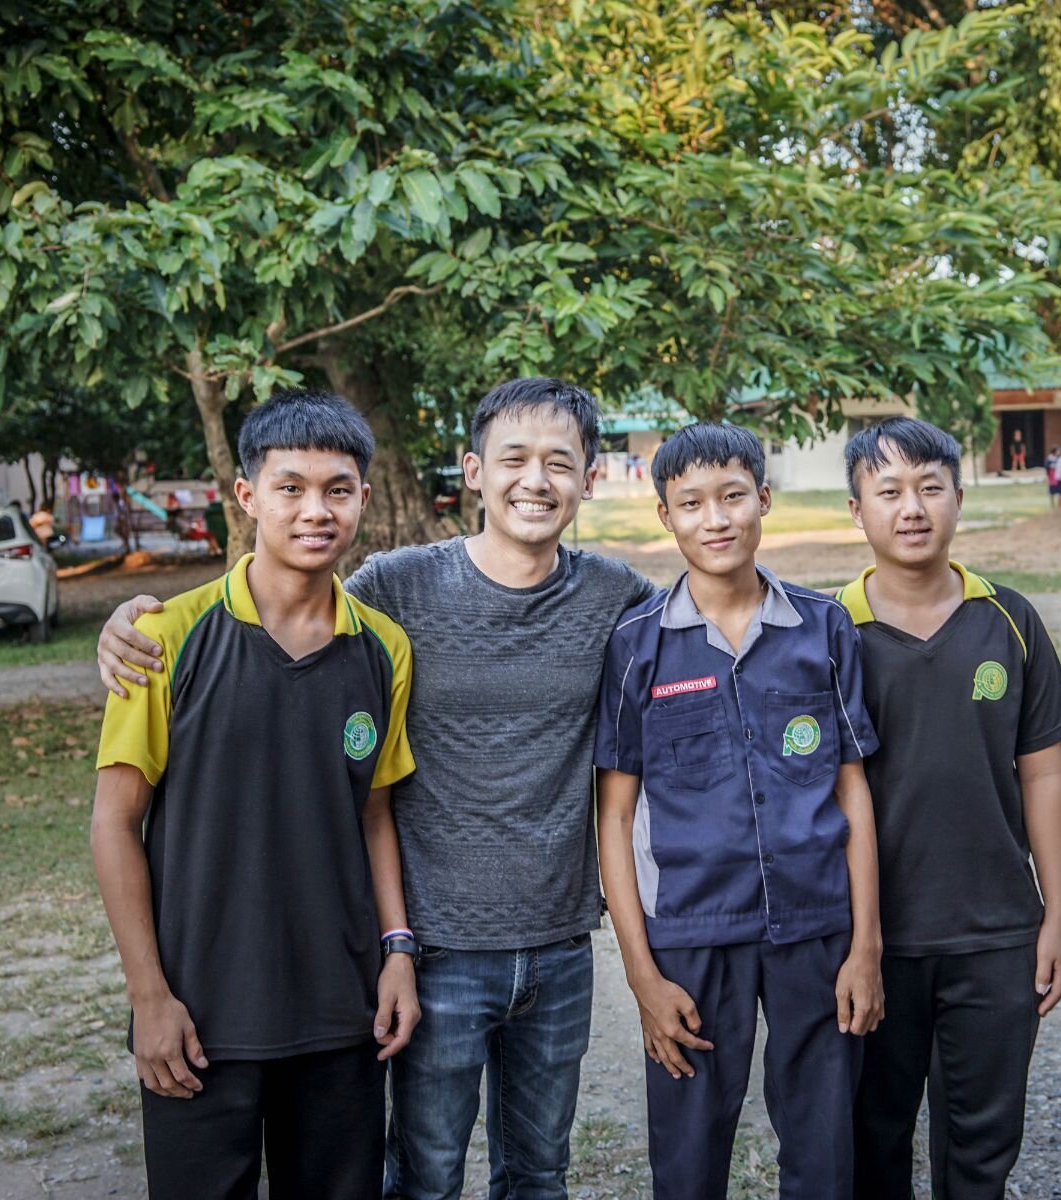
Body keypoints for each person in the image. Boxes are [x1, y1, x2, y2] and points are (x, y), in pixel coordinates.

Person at [96, 377, 658, 1200]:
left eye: (559, 462)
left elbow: (710, 617)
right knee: (423, 1177)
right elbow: (278, 611)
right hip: (397, 957)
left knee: (539, 1174)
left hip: (508, 956)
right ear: (473, 471)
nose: (536, 481)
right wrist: (124, 625)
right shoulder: (386, 593)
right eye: (513, 459)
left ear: (591, 478)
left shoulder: (608, 599)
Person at [90, 390, 420, 1200]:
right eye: (290, 487)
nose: (316, 510)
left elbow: (375, 813)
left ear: (363, 498)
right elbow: (114, 825)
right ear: (247, 495)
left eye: (337, 490)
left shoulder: (384, 647)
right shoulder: (163, 637)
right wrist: (149, 998)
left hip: (342, 1012)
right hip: (201, 1016)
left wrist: (398, 953)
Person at [595, 423, 884, 1200]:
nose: (715, 519)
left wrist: (866, 946)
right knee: (687, 1161)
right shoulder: (637, 646)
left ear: (764, 499)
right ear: (665, 515)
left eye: (732, 497)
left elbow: (852, 787)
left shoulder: (823, 627)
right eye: (691, 503)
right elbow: (615, 818)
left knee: (826, 1152)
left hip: (816, 926)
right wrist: (642, 976)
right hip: (690, 934)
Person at [836, 417, 1061, 1199]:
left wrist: (1055, 918)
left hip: (996, 934)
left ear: (959, 499)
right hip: (871, 942)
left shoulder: (1009, 619)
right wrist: (851, 944)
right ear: (857, 511)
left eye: (930, 488)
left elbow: (1043, 775)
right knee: (871, 1138)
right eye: (889, 492)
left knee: (981, 1146)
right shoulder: (829, 632)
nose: (912, 508)